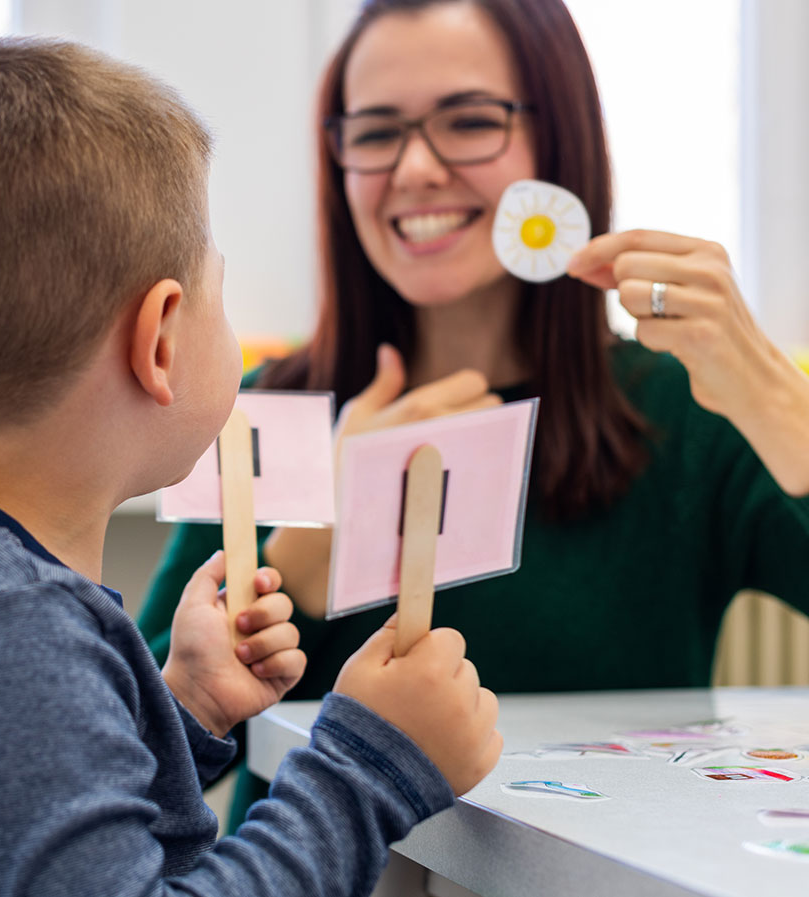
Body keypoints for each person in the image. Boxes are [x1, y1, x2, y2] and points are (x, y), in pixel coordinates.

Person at [0, 36, 503, 896]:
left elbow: (25, 821)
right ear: (162, 337)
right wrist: (373, 763)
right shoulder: (15, 628)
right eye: (222, 293)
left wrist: (183, 710)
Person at [139, 0, 809, 834]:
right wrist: (311, 546)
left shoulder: (681, 408)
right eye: (378, 132)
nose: (416, 168)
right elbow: (140, 747)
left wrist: (776, 400)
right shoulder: (264, 405)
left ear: (557, 140)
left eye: (468, 121)